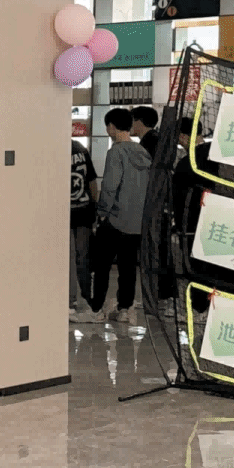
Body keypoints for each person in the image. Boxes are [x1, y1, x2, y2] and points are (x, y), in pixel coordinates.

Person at [86, 107, 152, 324]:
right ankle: (125, 308)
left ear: (111, 127)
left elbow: (110, 186)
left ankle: (97, 309)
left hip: (115, 219)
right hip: (137, 221)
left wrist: (102, 213)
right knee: (128, 267)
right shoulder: (143, 152)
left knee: (102, 265)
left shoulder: (116, 152)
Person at [69, 138, 99, 317]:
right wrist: (94, 206)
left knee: (68, 257)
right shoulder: (81, 149)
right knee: (83, 257)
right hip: (84, 210)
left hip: (64, 213)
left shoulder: (52, 148)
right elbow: (92, 181)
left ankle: (70, 300)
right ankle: (87, 297)